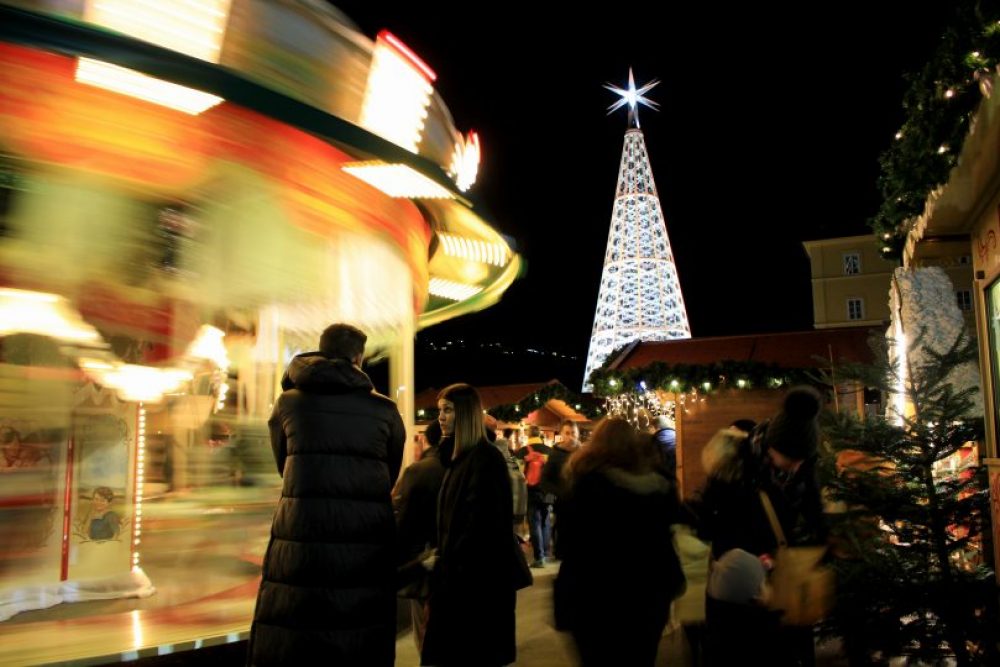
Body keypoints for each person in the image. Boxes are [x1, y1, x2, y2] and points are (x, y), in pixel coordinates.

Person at [248, 323, 405, 667]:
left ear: (320, 349)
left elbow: (283, 463)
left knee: (298, 622)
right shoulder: (385, 409)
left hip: (301, 529)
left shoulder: (289, 403)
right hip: (365, 535)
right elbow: (389, 472)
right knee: (358, 626)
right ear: (359, 358)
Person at [554, 417, 685, 667]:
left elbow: (566, 545)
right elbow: (670, 531)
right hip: (649, 593)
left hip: (594, 597)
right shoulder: (660, 485)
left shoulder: (584, 483)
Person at [421, 383, 521, 667]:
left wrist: (449, 569)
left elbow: (483, 530)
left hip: (474, 594)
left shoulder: (484, 460)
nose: (440, 417)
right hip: (455, 585)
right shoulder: (455, 459)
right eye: (440, 410)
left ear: (465, 414)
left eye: (448, 410)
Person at [394, 420, 446, 653]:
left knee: (425, 635)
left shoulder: (418, 471)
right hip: (461, 565)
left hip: (426, 563)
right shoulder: (466, 465)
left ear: (426, 439)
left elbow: (404, 524)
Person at [541, 420, 581, 557]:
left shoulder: (583, 453)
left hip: (582, 502)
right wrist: (557, 494)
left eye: (573, 433)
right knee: (564, 535)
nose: (571, 437)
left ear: (578, 434)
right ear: (562, 435)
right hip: (563, 504)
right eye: (567, 433)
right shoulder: (555, 454)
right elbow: (545, 479)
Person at [518, 426, 553, 567]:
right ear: (540, 435)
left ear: (528, 435)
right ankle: (545, 552)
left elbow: (519, 474)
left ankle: (539, 558)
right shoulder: (550, 451)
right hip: (549, 491)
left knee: (535, 522)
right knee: (546, 520)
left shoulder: (522, 451)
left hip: (532, 490)